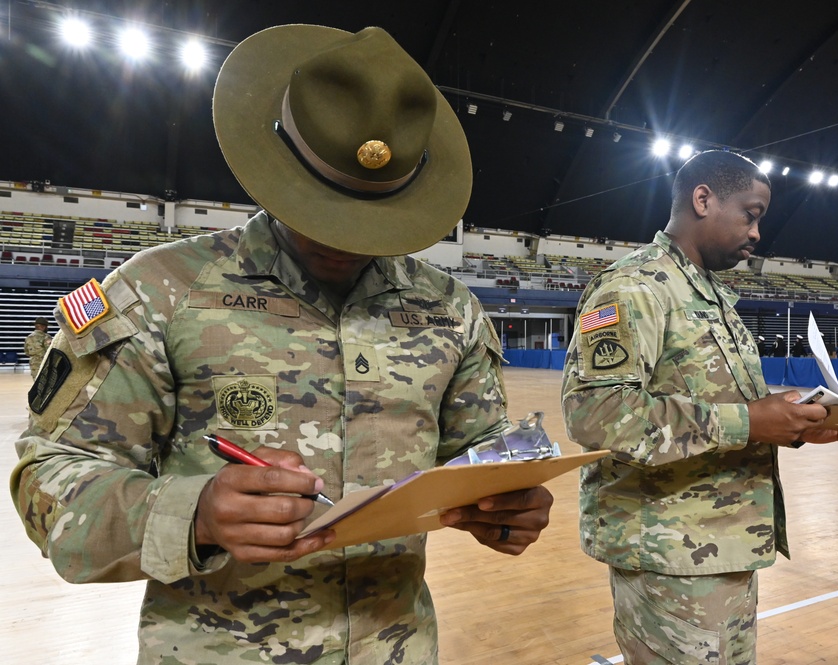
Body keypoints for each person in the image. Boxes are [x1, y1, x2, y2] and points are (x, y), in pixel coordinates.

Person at [10, 24, 553, 664]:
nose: (346, 238)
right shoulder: (159, 293)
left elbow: (480, 452)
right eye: (326, 206)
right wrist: (195, 512)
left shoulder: (449, 310)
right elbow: (47, 479)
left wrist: (507, 502)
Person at [561, 150, 838, 665]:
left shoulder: (713, 295)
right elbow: (595, 413)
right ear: (703, 199)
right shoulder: (634, 287)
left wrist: (796, 425)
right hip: (667, 552)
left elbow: (729, 411)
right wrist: (752, 420)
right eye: (750, 215)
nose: (757, 233)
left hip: (721, 542)